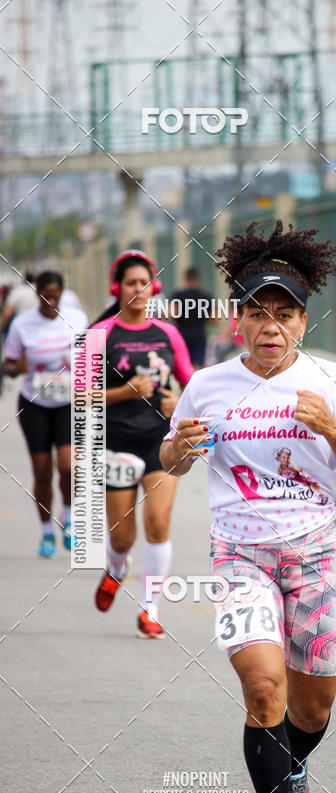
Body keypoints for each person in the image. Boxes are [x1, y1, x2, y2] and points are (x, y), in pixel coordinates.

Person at [160, 220, 336, 793]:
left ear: (303, 323)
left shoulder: (333, 383)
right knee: (264, 689)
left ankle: (293, 760)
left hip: (316, 553)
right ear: (239, 322)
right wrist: (178, 448)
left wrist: (330, 429)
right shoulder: (207, 386)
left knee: (312, 709)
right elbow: (170, 461)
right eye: (258, 313)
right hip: (240, 556)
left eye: (283, 314)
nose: (270, 326)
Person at [89, 249, 194, 638]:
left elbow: (191, 382)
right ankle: (116, 568)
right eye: (131, 282)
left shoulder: (167, 333)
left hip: (159, 440)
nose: (138, 289)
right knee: (121, 536)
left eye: (144, 283)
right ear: (117, 287)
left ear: (154, 288)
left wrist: (178, 403)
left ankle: (150, 608)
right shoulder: (99, 335)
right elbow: (81, 397)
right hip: (115, 443)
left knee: (159, 522)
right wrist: (125, 392)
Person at [2, 271, 88, 557]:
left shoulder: (76, 319)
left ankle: (68, 518)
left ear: (62, 295)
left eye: (55, 297)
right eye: (45, 297)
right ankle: (46, 532)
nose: (50, 302)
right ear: (36, 294)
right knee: (41, 470)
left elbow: (92, 358)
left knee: (67, 466)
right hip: (34, 404)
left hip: (67, 403)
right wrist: (20, 367)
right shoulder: (22, 325)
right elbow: (9, 364)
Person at [169, 265, 211, 368]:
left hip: (182, 336)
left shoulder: (178, 295)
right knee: (198, 366)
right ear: (197, 279)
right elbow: (214, 319)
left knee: (184, 365)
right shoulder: (205, 296)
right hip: (199, 336)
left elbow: (171, 315)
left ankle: (186, 383)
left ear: (185, 279)